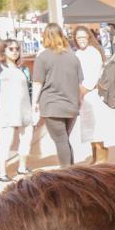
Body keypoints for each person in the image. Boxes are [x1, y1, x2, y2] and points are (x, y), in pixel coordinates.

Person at [33, 22, 83, 167]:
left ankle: (66, 174)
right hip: (71, 105)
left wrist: (34, 104)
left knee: (61, 141)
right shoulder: (73, 57)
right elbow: (79, 83)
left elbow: (37, 83)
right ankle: (72, 172)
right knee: (64, 140)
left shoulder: (43, 57)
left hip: (52, 105)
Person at [0, 39, 34, 182]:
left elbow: (29, 89)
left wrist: (34, 106)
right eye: (11, 49)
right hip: (7, 110)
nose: (15, 51)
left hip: (25, 109)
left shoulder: (23, 69)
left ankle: (22, 167)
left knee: (26, 139)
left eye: (17, 48)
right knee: (6, 141)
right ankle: (2, 173)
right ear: (3, 51)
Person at [74, 25, 115, 164]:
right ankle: (95, 156)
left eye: (84, 37)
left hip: (92, 94)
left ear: (89, 37)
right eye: (78, 38)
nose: (81, 40)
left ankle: (101, 159)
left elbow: (95, 75)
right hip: (83, 95)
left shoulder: (93, 52)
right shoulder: (78, 53)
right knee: (89, 128)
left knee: (96, 128)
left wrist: (84, 90)